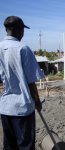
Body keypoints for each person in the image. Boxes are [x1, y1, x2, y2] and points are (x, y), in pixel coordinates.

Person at [0, 16, 44, 150]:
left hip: (5, 108)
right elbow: (31, 81)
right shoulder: (23, 48)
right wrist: (37, 101)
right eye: (22, 30)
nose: (23, 34)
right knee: (25, 146)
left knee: (10, 145)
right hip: (22, 108)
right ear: (16, 29)